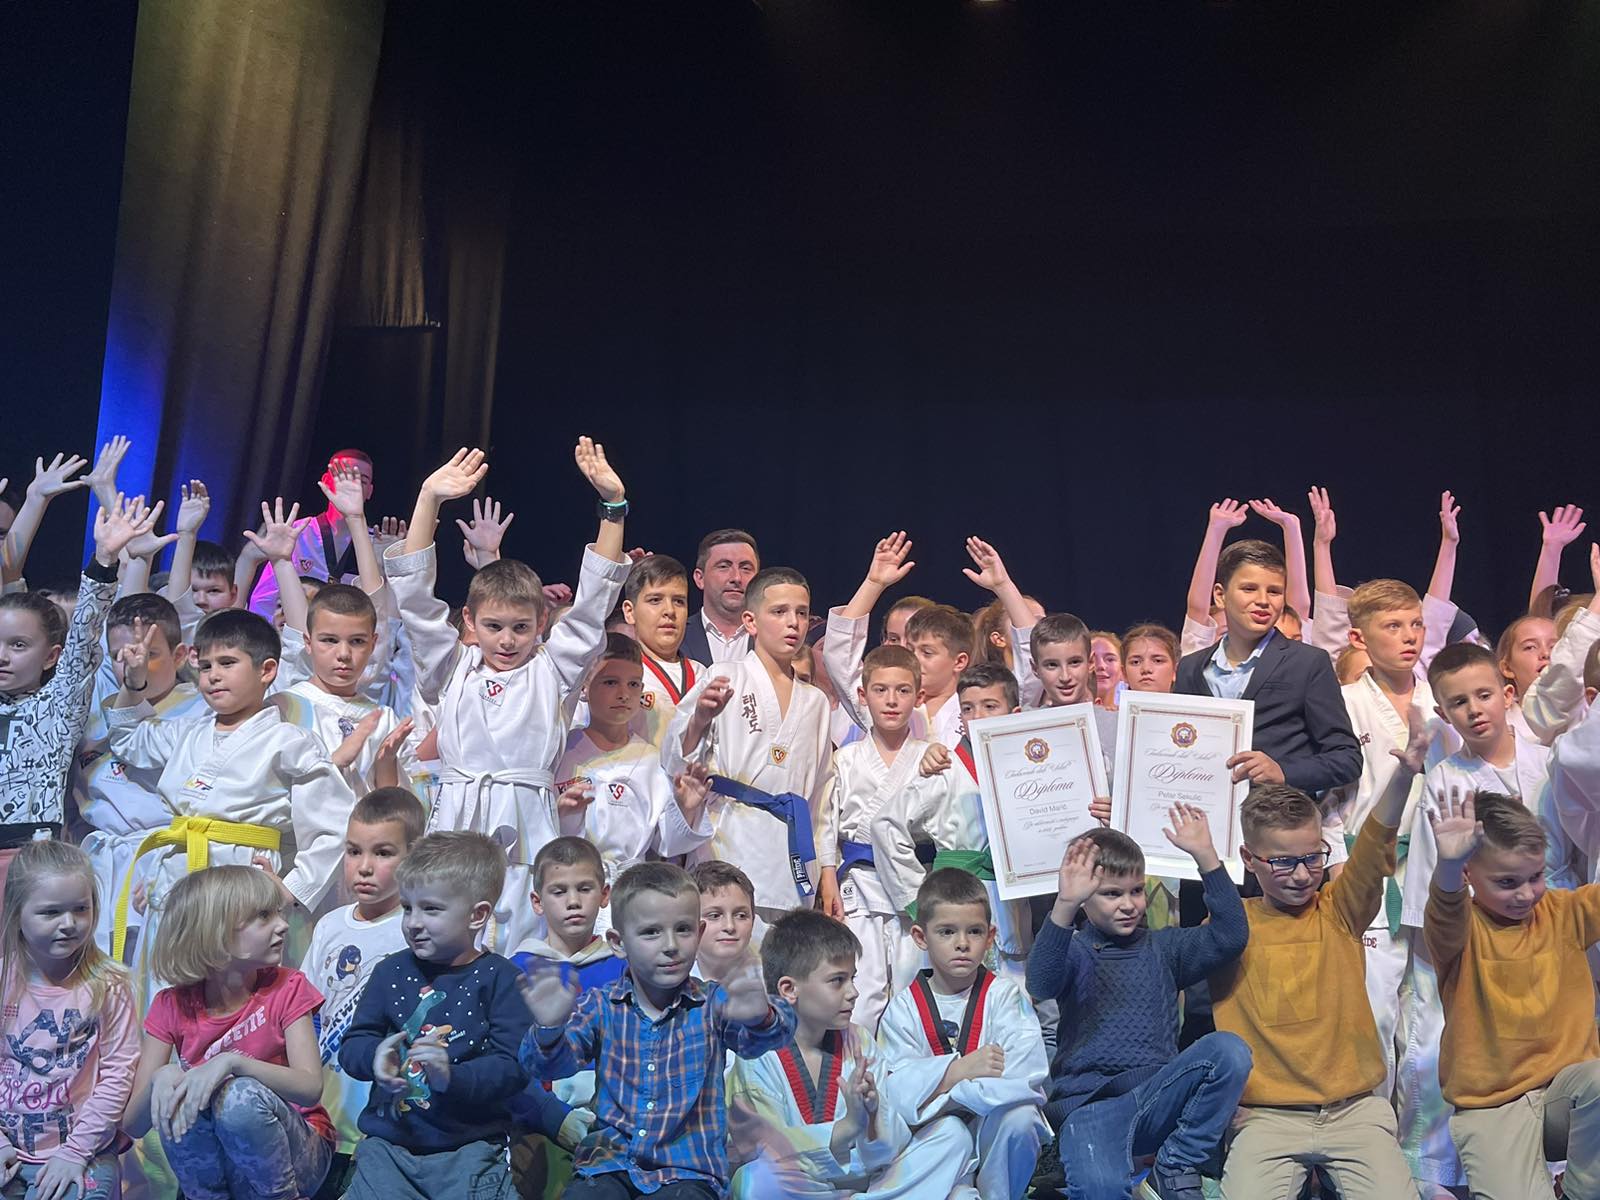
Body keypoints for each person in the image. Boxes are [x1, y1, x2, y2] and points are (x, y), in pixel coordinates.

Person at [382, 441, 631, 951]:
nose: (508, 640)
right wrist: (429, 498)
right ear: (470, 621)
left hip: (529, 827)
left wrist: (613, 506)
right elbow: (416, 601)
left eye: (521, 627)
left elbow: (592, 604)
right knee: (449, 943)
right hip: (456, 822)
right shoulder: (452, 667)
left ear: (541, 622)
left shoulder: (553, 670)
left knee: (524, 946)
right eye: (494, 626)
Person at [1209, 730, 1428, 1200]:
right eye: (1283, 862)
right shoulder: (1228, 926)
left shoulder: (1340, 910)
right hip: (1267, 1116)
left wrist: (1404, 775)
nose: (1302, 874)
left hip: (1354, 1111)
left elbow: (1373, 847)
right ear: (1249, 859)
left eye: (1312, 858)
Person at [1398, 640, 1582, 1195]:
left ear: (1508, 694)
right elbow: (1430, 883)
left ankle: (1561, 1169)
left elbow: (1575, 846)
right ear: (1443, 712)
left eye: (1483, 695)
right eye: (1459, 703)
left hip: (1553, 923)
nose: (1475, 710)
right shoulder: (1446, 781)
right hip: (1473, 935)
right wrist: (1434, 966)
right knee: (1438, 1042)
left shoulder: (1549, 758)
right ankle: (1435, 1172)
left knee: (1564, 1041)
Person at [104, 608, 356, 990]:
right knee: (168, 988)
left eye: (227, 663)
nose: (213, 676)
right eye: (205, 666)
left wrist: (292, 888)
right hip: (178, 875)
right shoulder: (187, 733)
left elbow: (334, 827)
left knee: (235, 992)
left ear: (266, 670)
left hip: (242, 880)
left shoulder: (290, 743)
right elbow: (127, 739)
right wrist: (134, 682)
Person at [519, 861, 797, 1199]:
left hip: (688, 1174)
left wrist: (761, 1017)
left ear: (699, 932)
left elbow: (768, 1038)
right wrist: (549, 1028)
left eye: (683, 929)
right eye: (651, 932)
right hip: (609, 1165)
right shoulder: (600, 1005)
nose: (671, 945)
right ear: (618, 943)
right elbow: (547, 1066)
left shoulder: (713, 1004)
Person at [1026, 815, 1250, 1200]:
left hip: (1157, 1098)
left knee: (1229, 1050)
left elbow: (1230, 937)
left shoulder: (1165, 948)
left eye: (1136, 891)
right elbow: (1040, 983)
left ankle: (1176, 1162)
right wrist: (1064, 904)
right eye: (1112, 894)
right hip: (1090, 1108)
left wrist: (1207, 859)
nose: (1128, 905)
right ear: (1085, 899)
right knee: (1099, 1190)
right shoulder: (1075, 950)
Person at [728, 909, 976, 1200]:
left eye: (853, 979)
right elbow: (765, 1147)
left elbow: (888, 1152)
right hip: (806, 1188)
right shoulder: (755, 1054)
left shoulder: (859, 1040)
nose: (853, 992)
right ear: (789, 989)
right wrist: (846, 1128)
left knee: (952, 1134)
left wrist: (871, 1114)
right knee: (755, 1180)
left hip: (869, 1184)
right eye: (838, 980)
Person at [1424, 791, 1600, 1200]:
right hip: (1492, 1106)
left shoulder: (1565, 912)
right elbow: (1445, 908)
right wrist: (1446, 866)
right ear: (1468, 873)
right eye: (1507, 882)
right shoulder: (1459, 929)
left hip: (1567, 1095)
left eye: (1535, 877)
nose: (1525, 894)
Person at [338, 831, 530, 1200]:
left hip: (470, 1150)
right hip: (389, 1148)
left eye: (431, 909)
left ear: (477, 915)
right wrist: (374, 1056)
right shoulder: (389, 971)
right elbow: (354, 1044)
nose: (413, 922)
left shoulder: (502, 979)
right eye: (407, 907)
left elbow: (513, 1067)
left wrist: (451, 1077)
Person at [123, 866, 335, 1200]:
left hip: (298, 1158)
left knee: (238, 1097)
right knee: (176, 1093)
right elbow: (133, 1126)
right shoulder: (170, 1005)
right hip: (224, 1165)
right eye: (263, 916)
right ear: (215, 934)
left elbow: (309, 1089)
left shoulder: (288, 987)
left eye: (277, 913)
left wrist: (233, 1063)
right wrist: (159, 1080)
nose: (282, 924)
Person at [663, 567, 836, 922]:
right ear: (750, 621)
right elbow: (674, 760)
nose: (793, 623)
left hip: (792, 855)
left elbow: (822, 794)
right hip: (729, 843)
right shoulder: (724, 676)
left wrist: (828, 870)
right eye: (779, 612)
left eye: (802, 613)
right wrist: (700, 719)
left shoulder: (816, 701)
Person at [875, 867, 1049, 1200]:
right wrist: (959, 1070)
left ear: (991, 936)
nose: (962, 944)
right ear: (920, 937)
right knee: (951, 1132)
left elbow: (1023, 1080)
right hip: (934, 1138)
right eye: (946, 932)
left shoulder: (1006, 997)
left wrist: (942, 1087)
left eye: (974, 931)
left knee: (1021, 1118)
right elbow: (896, 1096)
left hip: (991, 1132)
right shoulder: (903, 1008)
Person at [871, 664, 1042, 991]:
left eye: (990, 706)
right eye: (968, 708)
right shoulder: (945, 768)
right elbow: (885, 825)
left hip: (1009, 899)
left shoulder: (1029, 772)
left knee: (1012, 987)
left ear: (1014, 713)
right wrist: (916, 901)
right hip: (954, 896)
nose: (977, 717)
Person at [0, 492, 153, 856]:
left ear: (52, 656)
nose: (2, 656)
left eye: (18, 645)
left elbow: (84, 635)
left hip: (28, 855)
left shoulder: (59, 703)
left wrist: (105, 560)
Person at [302, 787, 426, 1196]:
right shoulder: (329, 925)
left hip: (381, 1118)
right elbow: (307, 1013)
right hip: (322, 1113)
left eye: (383, 853)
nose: (364, 867)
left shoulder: (416, 931)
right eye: (354, 851)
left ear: (414, 855)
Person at [0, 841, 139, 1200]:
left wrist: (75, 1152)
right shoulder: (3, 978)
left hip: (83, 1150)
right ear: (16, 912)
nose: (68, 924)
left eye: (81, 909)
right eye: (50, 912)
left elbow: (118, 1074)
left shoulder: (109, 983)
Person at [1174, 539, 1361, 794]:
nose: (1263, 600)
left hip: (1278, 814)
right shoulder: (1191, 668)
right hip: (1204, 811)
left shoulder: (1308, 663)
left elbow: (1347, 758)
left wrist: (1284, 772)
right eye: (1249, 589)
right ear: (1220, 595)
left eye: (1274, 591)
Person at [553, 634, 713, 907]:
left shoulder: (650, 759)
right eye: (610, 682)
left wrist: (685, 809)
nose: (624, 694)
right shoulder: (563, 751)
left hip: (631, 892)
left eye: (634, 684)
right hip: (571, 887)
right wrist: (562, 815)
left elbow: (667, 843)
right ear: (584, 686)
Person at [814, 643, 925, 1026]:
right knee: (863, 995)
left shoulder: (929, 756)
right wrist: (828, 875)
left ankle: (913, 1064)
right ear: (863, 695)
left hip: (913, 885)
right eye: (881, 690)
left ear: (918, 696)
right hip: (859, 885)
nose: (891, 700)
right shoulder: (845, 759)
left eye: (903, 690)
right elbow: (826, 822)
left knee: (911, 992)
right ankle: (857, 1063)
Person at [247, 449, 376, 618]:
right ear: (326, 481)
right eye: (343, 476)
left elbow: (382, 611)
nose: (352, 486)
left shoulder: (376, 545)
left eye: (361, 481)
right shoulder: (295, 533)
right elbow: (264, 601)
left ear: (370, 491)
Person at [1181, 498, 1311, 657]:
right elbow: (1197, 610)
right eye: (1225, 633)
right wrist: (1215, 530)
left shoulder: (1289, 658)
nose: (1262, 601)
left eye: (1272, 591)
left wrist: (1291, 527)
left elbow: (1296, 612)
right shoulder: (1202, 662)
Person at [620, 555, 706, 748]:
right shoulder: (617, 675)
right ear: (630, 612)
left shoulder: (704, 675)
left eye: (679, 601)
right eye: (655, 600)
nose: (670, 611)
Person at [679, 530, 759, 666]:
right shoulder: (677, 635)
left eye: (745, 568)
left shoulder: (772, 637)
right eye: (723, 567)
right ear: (700, 578)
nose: (736, 578)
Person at [690, 860, 760, 983]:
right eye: (714, 916)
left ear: (753, 920)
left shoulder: (772, 986)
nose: (729, 926)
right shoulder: (672, 987)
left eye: (741, 916)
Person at [1088, 630, 1124, 709]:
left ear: (1123, 671)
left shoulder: (1130, 715)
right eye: (1091, 660)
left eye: (1110, 659)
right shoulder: (1065, 714)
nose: (1101, 666)